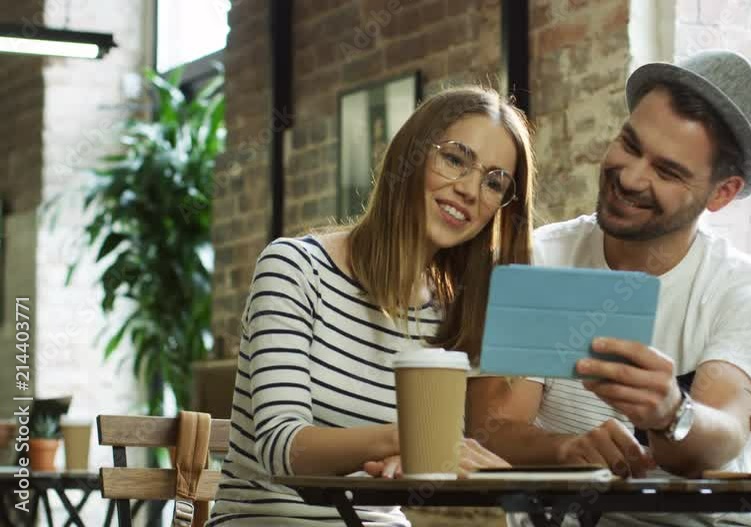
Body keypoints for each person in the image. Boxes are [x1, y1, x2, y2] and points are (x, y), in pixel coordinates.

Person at [467, 51, 751, 527]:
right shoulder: (543, 258)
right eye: (629, 144)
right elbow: (492, 428)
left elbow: (722, 435)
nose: (630, 176)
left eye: (667, 171)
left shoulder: (747, 294)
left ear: (721, 193)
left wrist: (670, 412)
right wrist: (567, 450)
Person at [208, 86, 535, 526]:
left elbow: (426, 467)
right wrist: (402, 440)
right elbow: (279, 449)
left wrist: (410, 459)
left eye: (495, 182)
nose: (470, 190)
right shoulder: (295, 269)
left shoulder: (453, 315)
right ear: (412, 154)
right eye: (455, 159)